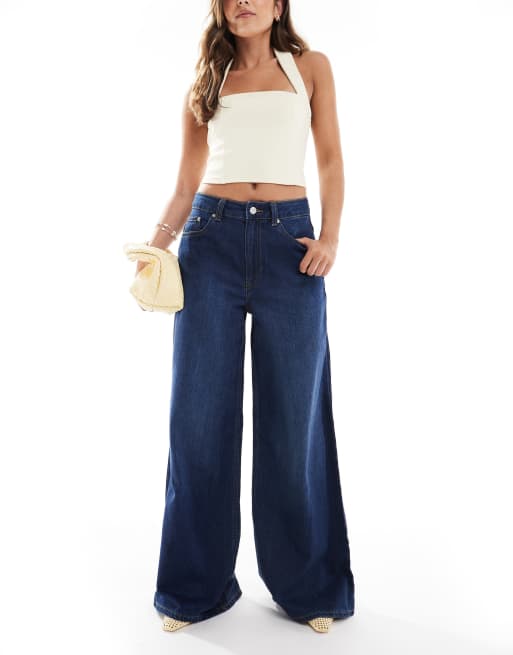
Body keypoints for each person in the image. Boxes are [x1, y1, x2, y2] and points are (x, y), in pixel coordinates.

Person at [135, 0, 355, 634]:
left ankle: (309, 589)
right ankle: (192, 590)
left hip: (291, 246)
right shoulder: (207, 79)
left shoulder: (310, 67)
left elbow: (330, 158)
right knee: (199, 419)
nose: (243, 2)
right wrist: (156, 248)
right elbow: (186, 184)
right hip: (210, 243)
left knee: (295, 422)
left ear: (279, 4)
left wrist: (330, 238)